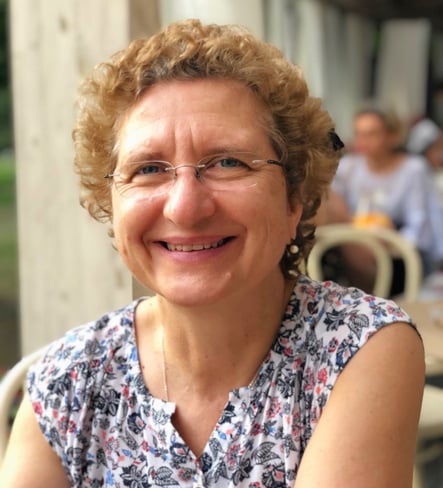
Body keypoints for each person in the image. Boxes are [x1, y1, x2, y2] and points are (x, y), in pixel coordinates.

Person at [0, 20, 424, 487]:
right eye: (149, 169)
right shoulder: (67, 381)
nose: (185, 207)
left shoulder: (356, 346)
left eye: (228, 162)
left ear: (293, 201)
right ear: (112, 206)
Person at [330, 108, 443, 294]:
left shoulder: (412, 169)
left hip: (399, 254)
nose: (363, 141)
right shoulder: (347, 168)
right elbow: (337, 210)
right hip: (355, 244)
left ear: (392, 136)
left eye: (372, 134)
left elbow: (420, 227)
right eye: (359, 134)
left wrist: (388, 239)